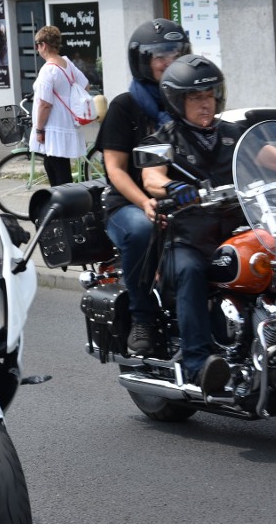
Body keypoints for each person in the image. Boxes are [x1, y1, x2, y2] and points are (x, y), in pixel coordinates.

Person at [140, 54, 244, 395]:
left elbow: (272, 157)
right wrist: (172, 187)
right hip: (187, 240)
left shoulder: (233, 133)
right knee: (191, 271)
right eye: (196, 97)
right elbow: (151, 176)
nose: (205, 103)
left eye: (209, 95)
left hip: (236, 232)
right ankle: (199, 363)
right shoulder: (165, 137)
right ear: (178, 100)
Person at [97, 18, 191, 356]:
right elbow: (116, 170)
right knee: (140, 231)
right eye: (160, 56)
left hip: (182, 198)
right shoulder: (126, 106)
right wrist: (145, 203)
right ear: (143, 61)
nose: (169, 62)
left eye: (176, 54)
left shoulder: (192, 100)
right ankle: (142, 319)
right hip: (127, 202)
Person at [29, 25, 90, 186]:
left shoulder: (48, 70)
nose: (37, 49)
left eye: (37, 45)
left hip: (53, 127)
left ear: (44, 45)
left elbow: (45, 104)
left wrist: (39, 129)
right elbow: (86, 86)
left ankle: (67, 207)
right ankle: (60, 204)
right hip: (66, 124)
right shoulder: (67, 63)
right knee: (52, 165)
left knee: (60, 173)